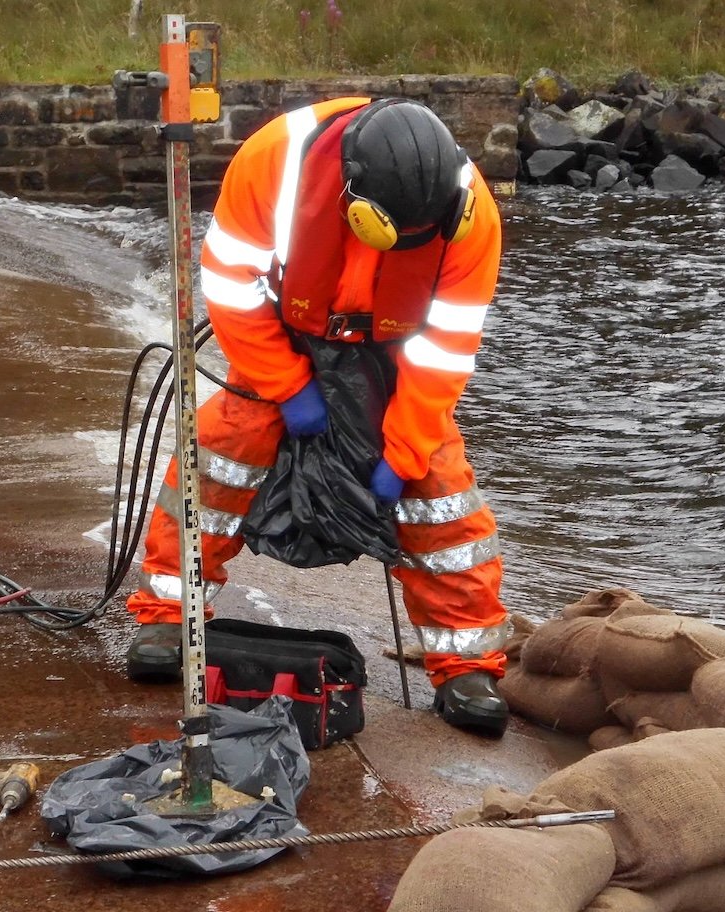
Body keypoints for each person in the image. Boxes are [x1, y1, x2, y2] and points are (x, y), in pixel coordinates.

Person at [123, 96, 511, 737]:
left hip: (389, 358)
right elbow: (228, 284)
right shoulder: (275, 163)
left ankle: (466, 665)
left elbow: (445, 351)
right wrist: (288, 387)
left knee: (440, 497)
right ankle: (168, 620)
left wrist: (404, 453)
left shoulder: (472, 220)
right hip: (281, 337)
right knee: (222, 453)